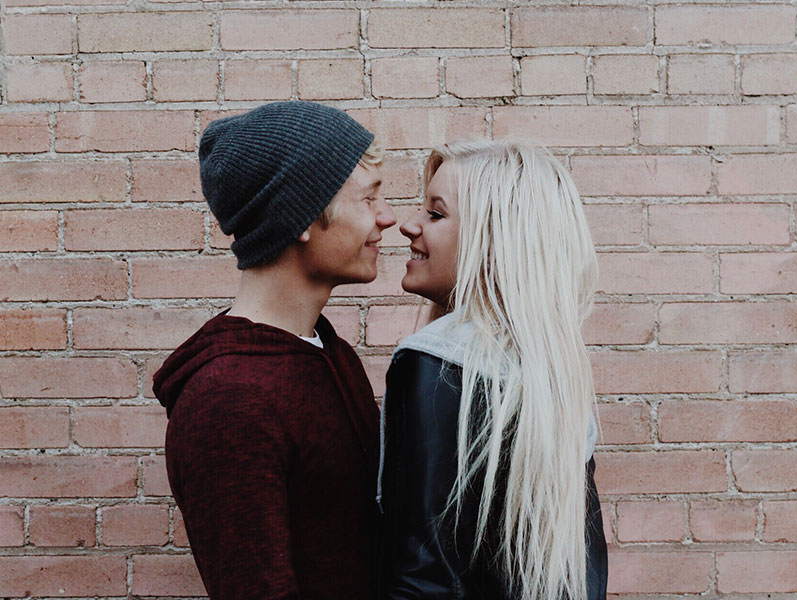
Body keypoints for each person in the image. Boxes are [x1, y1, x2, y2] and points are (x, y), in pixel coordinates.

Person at [153, 101, 396, 599]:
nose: (387, 218)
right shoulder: (229, 402)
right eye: (368, 199)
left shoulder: (329, 353)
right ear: (302, 216)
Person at [378, 139, 608, 600]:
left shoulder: (437, 363)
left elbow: (424, 576)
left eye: (436, 214)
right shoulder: (552, 374)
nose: (408, 225)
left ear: (495, 238)